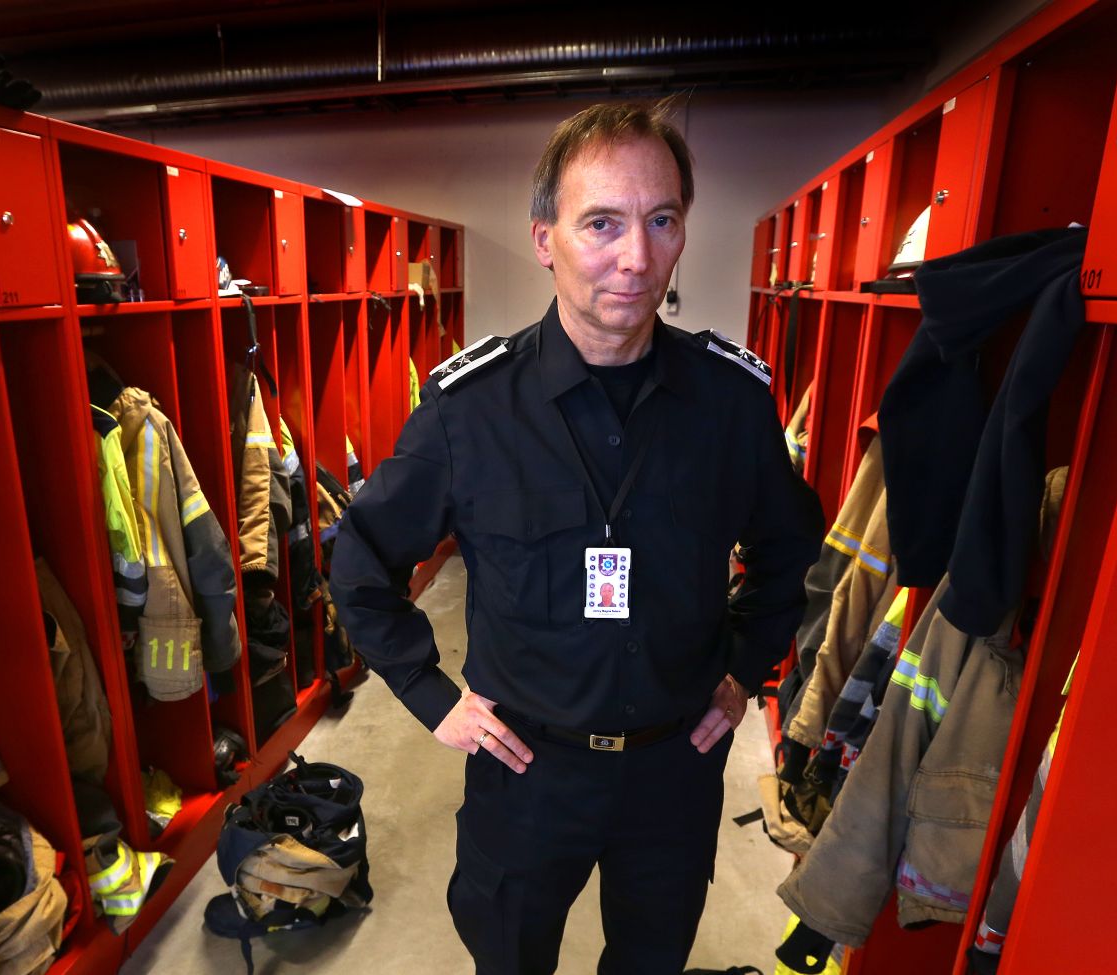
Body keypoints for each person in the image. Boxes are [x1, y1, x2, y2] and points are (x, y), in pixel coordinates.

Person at [329, 100, 824, 975]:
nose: (636, 257)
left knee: (651, 959)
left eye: (661, 220)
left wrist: (744, 669)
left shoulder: (730, 403)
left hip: (674, 767)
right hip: (527, 769)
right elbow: (362, 562)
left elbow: (790, 550)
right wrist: (433, 697)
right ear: (543, 238)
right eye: (602, 223)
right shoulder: (470, 411)